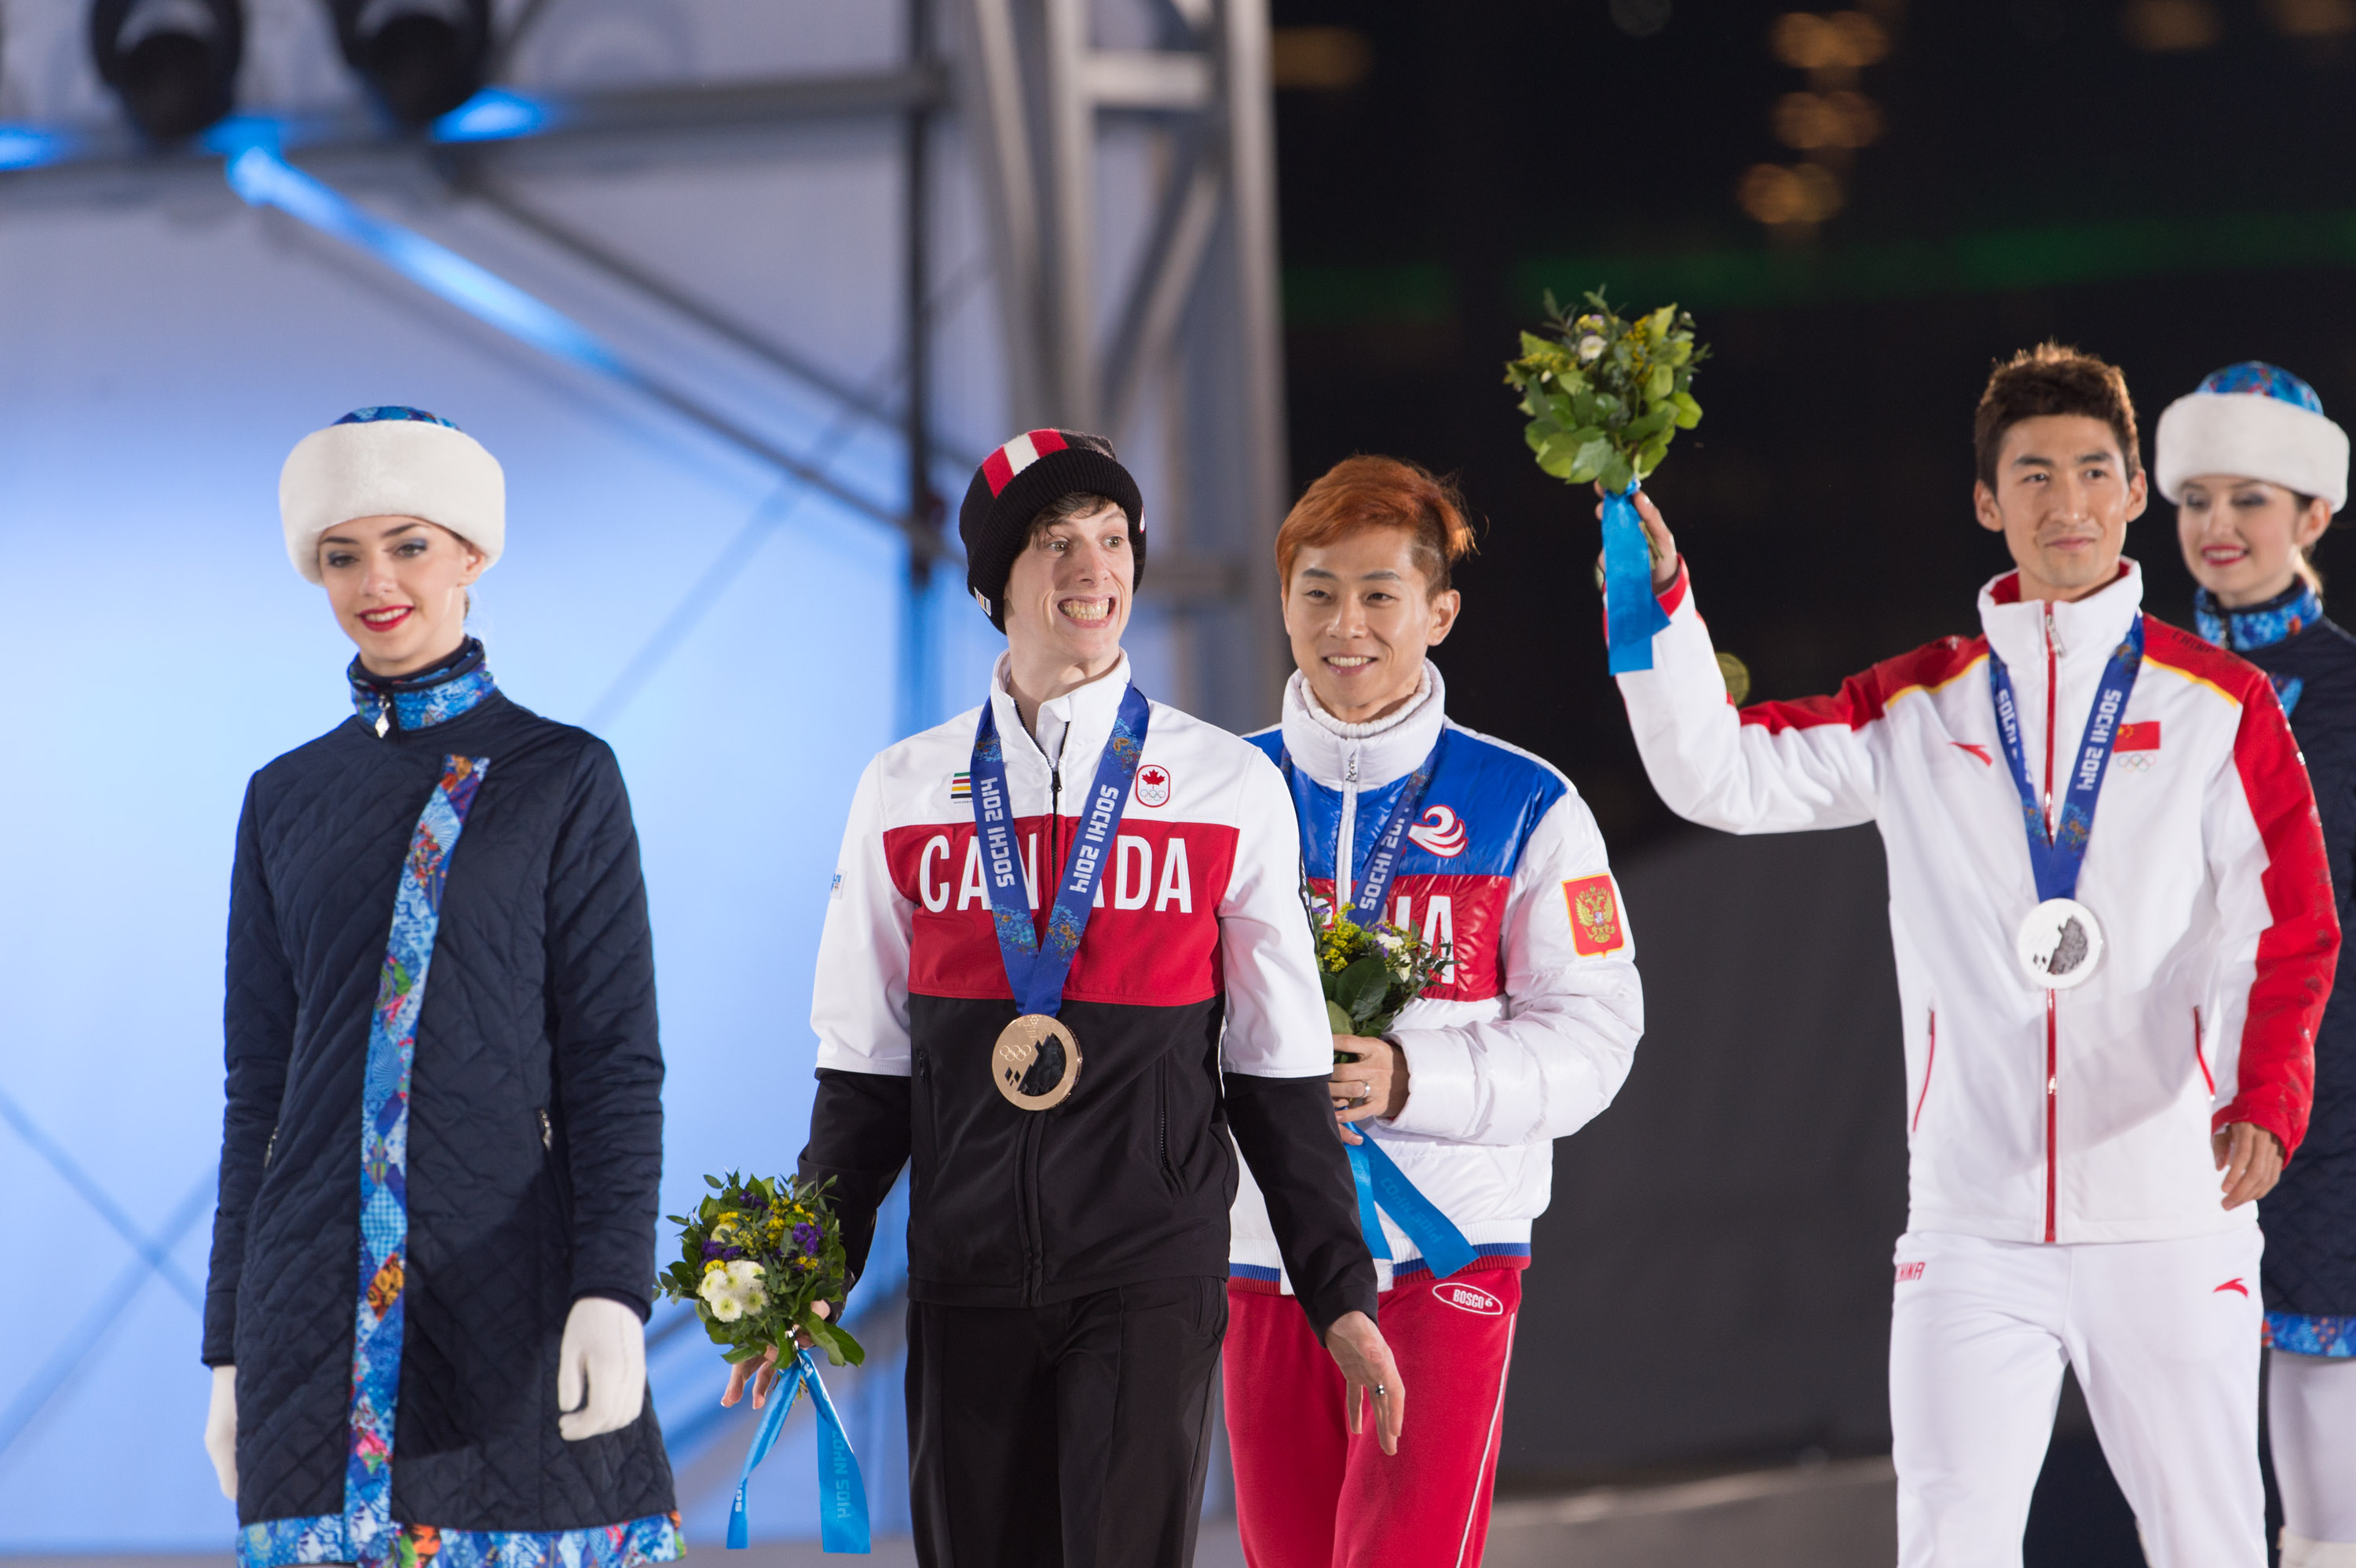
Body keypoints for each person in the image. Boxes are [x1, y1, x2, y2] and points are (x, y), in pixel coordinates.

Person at [1607, 345, 2335, 1567]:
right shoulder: (1918, 705)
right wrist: (1655, 601)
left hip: (2172, 1212)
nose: (2067, 504)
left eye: (2094, 472)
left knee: (2210, 1545)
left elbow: (2295, 925)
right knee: (1948, 1546)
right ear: (1989, 503)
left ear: (2134, 491)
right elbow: (1717, 773)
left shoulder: (2222, 706)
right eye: (2033, 475)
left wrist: (2267, 1095)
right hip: (1971, 1226)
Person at [761, 429, 1400, 1568]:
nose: (1091, 566)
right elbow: (863, 1073)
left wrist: (1336, 1284)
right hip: (966, 1274)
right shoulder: (904, 789)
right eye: (1054, 542)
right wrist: (811, 1272)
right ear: (996, 581)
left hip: (1146, 1267)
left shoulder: (1227, 785)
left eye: (1111, 538)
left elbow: (1277, 1066)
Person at [202, 407, 679, 1566]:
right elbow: (257, 1091)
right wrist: (227, 1345)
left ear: (472, 553)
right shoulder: (284, 797)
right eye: (343, 554)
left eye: (409, 543)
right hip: (304, 1320)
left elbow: (615, 1061)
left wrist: (615, 1289)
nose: (379, 581)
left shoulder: (564, 776)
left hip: (508, 1296)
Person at [1220, 456, 1644, 1567]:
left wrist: (1413, 1079)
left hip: (1449, 1250)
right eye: (1317, 591)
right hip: (1266, 1255)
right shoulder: (1222, 800)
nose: (1344, 623)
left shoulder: (1530, 805)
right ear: (1284, 602)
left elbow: (1599, 1037)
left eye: (1378, 594)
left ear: (1439, 612)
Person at [2157, 361, 2356, 1568]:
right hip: (2174, 1093)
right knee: (2183, 1388)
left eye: (2252, 501)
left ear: (2316, 517)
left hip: (2334, 1089)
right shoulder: (2143, 680)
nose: (2218, 529)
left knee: (2322, 1362)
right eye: (2195, 501)